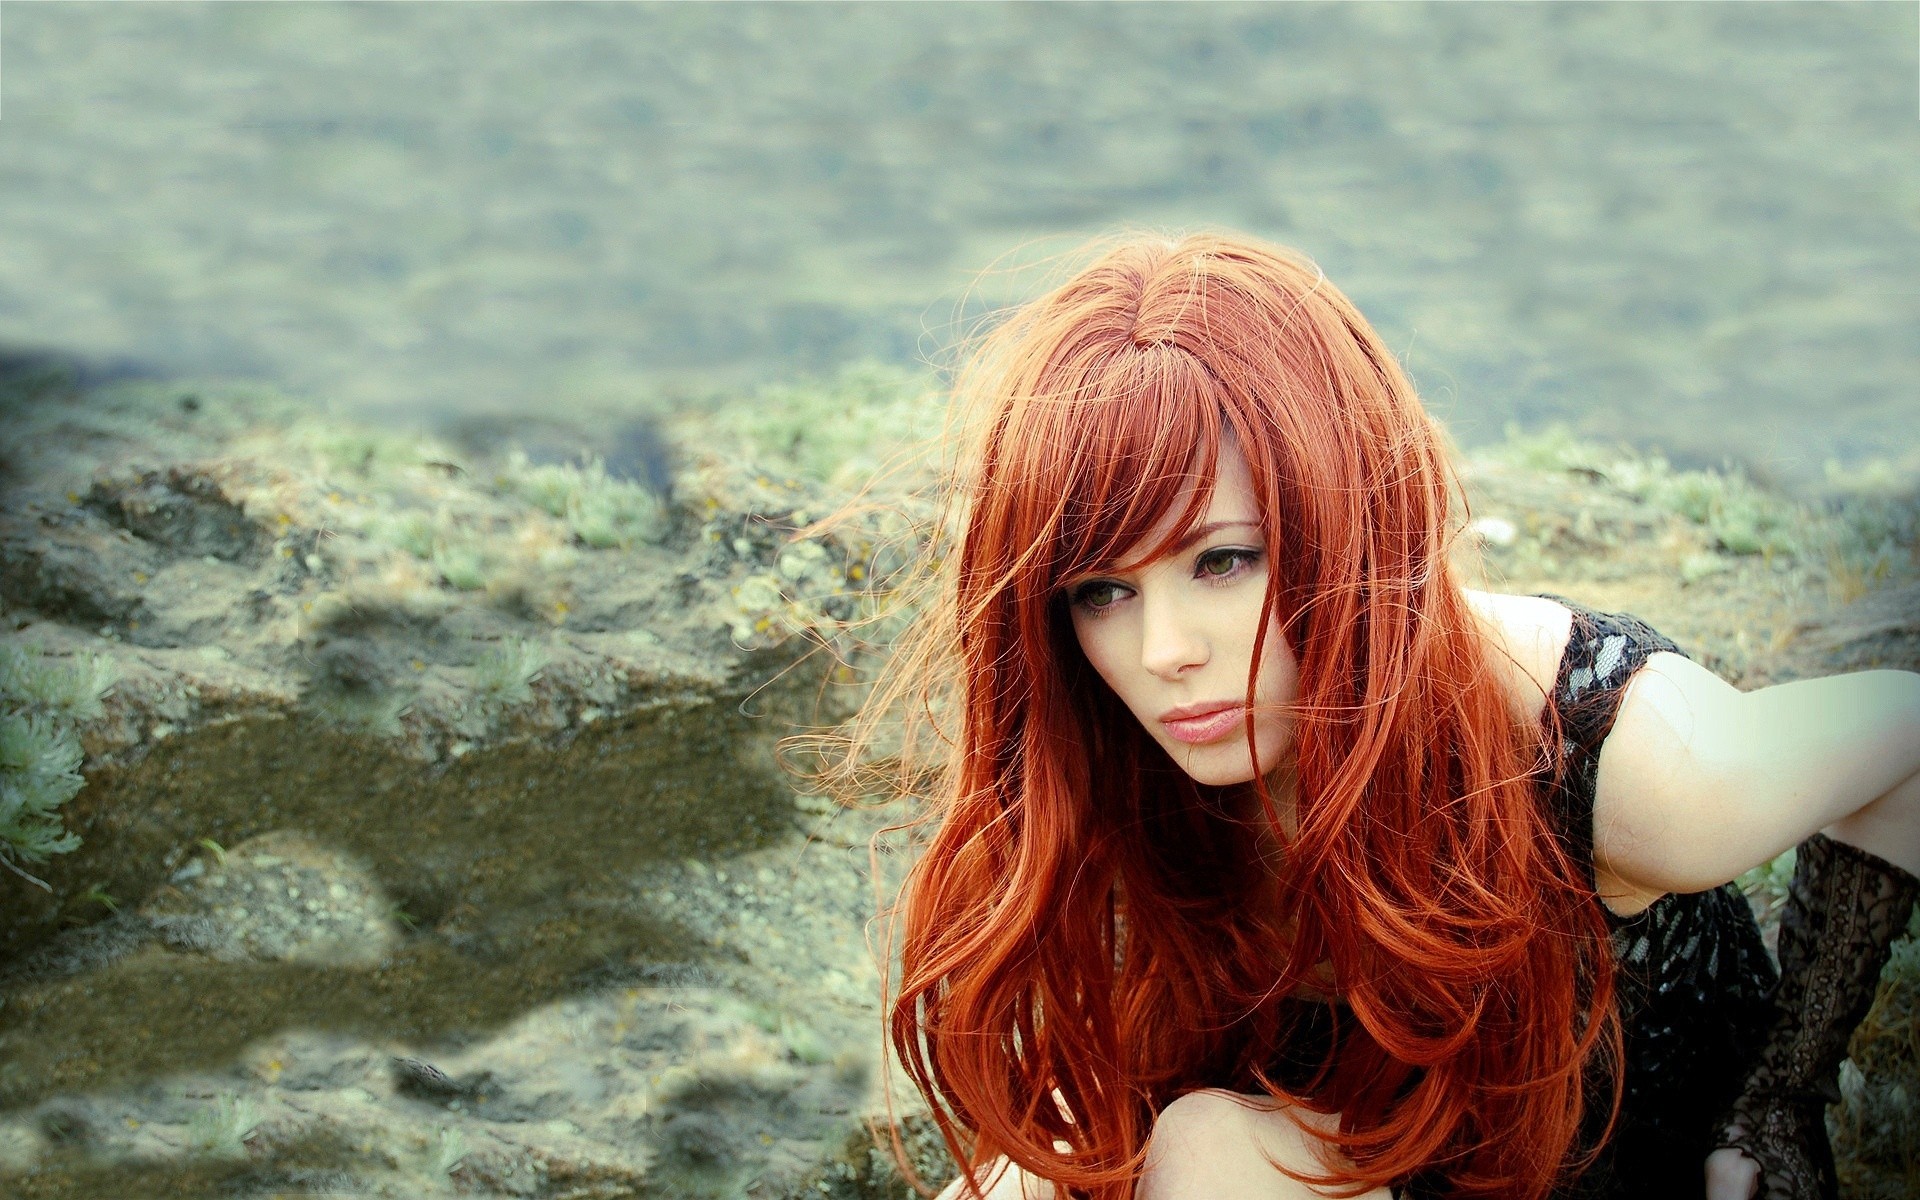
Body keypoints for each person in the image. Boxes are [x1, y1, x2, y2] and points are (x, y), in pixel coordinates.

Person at [834, 232, 1919, 1200]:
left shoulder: (1626, 760)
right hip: (1345, 1136)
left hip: (1586, 1158)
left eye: (1224, 560)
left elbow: (1904, 732)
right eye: (1103, 590)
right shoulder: (1116, 753)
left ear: (1345, 525)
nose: (1164, 651)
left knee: (1202, 1156)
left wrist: (1781, 1100)